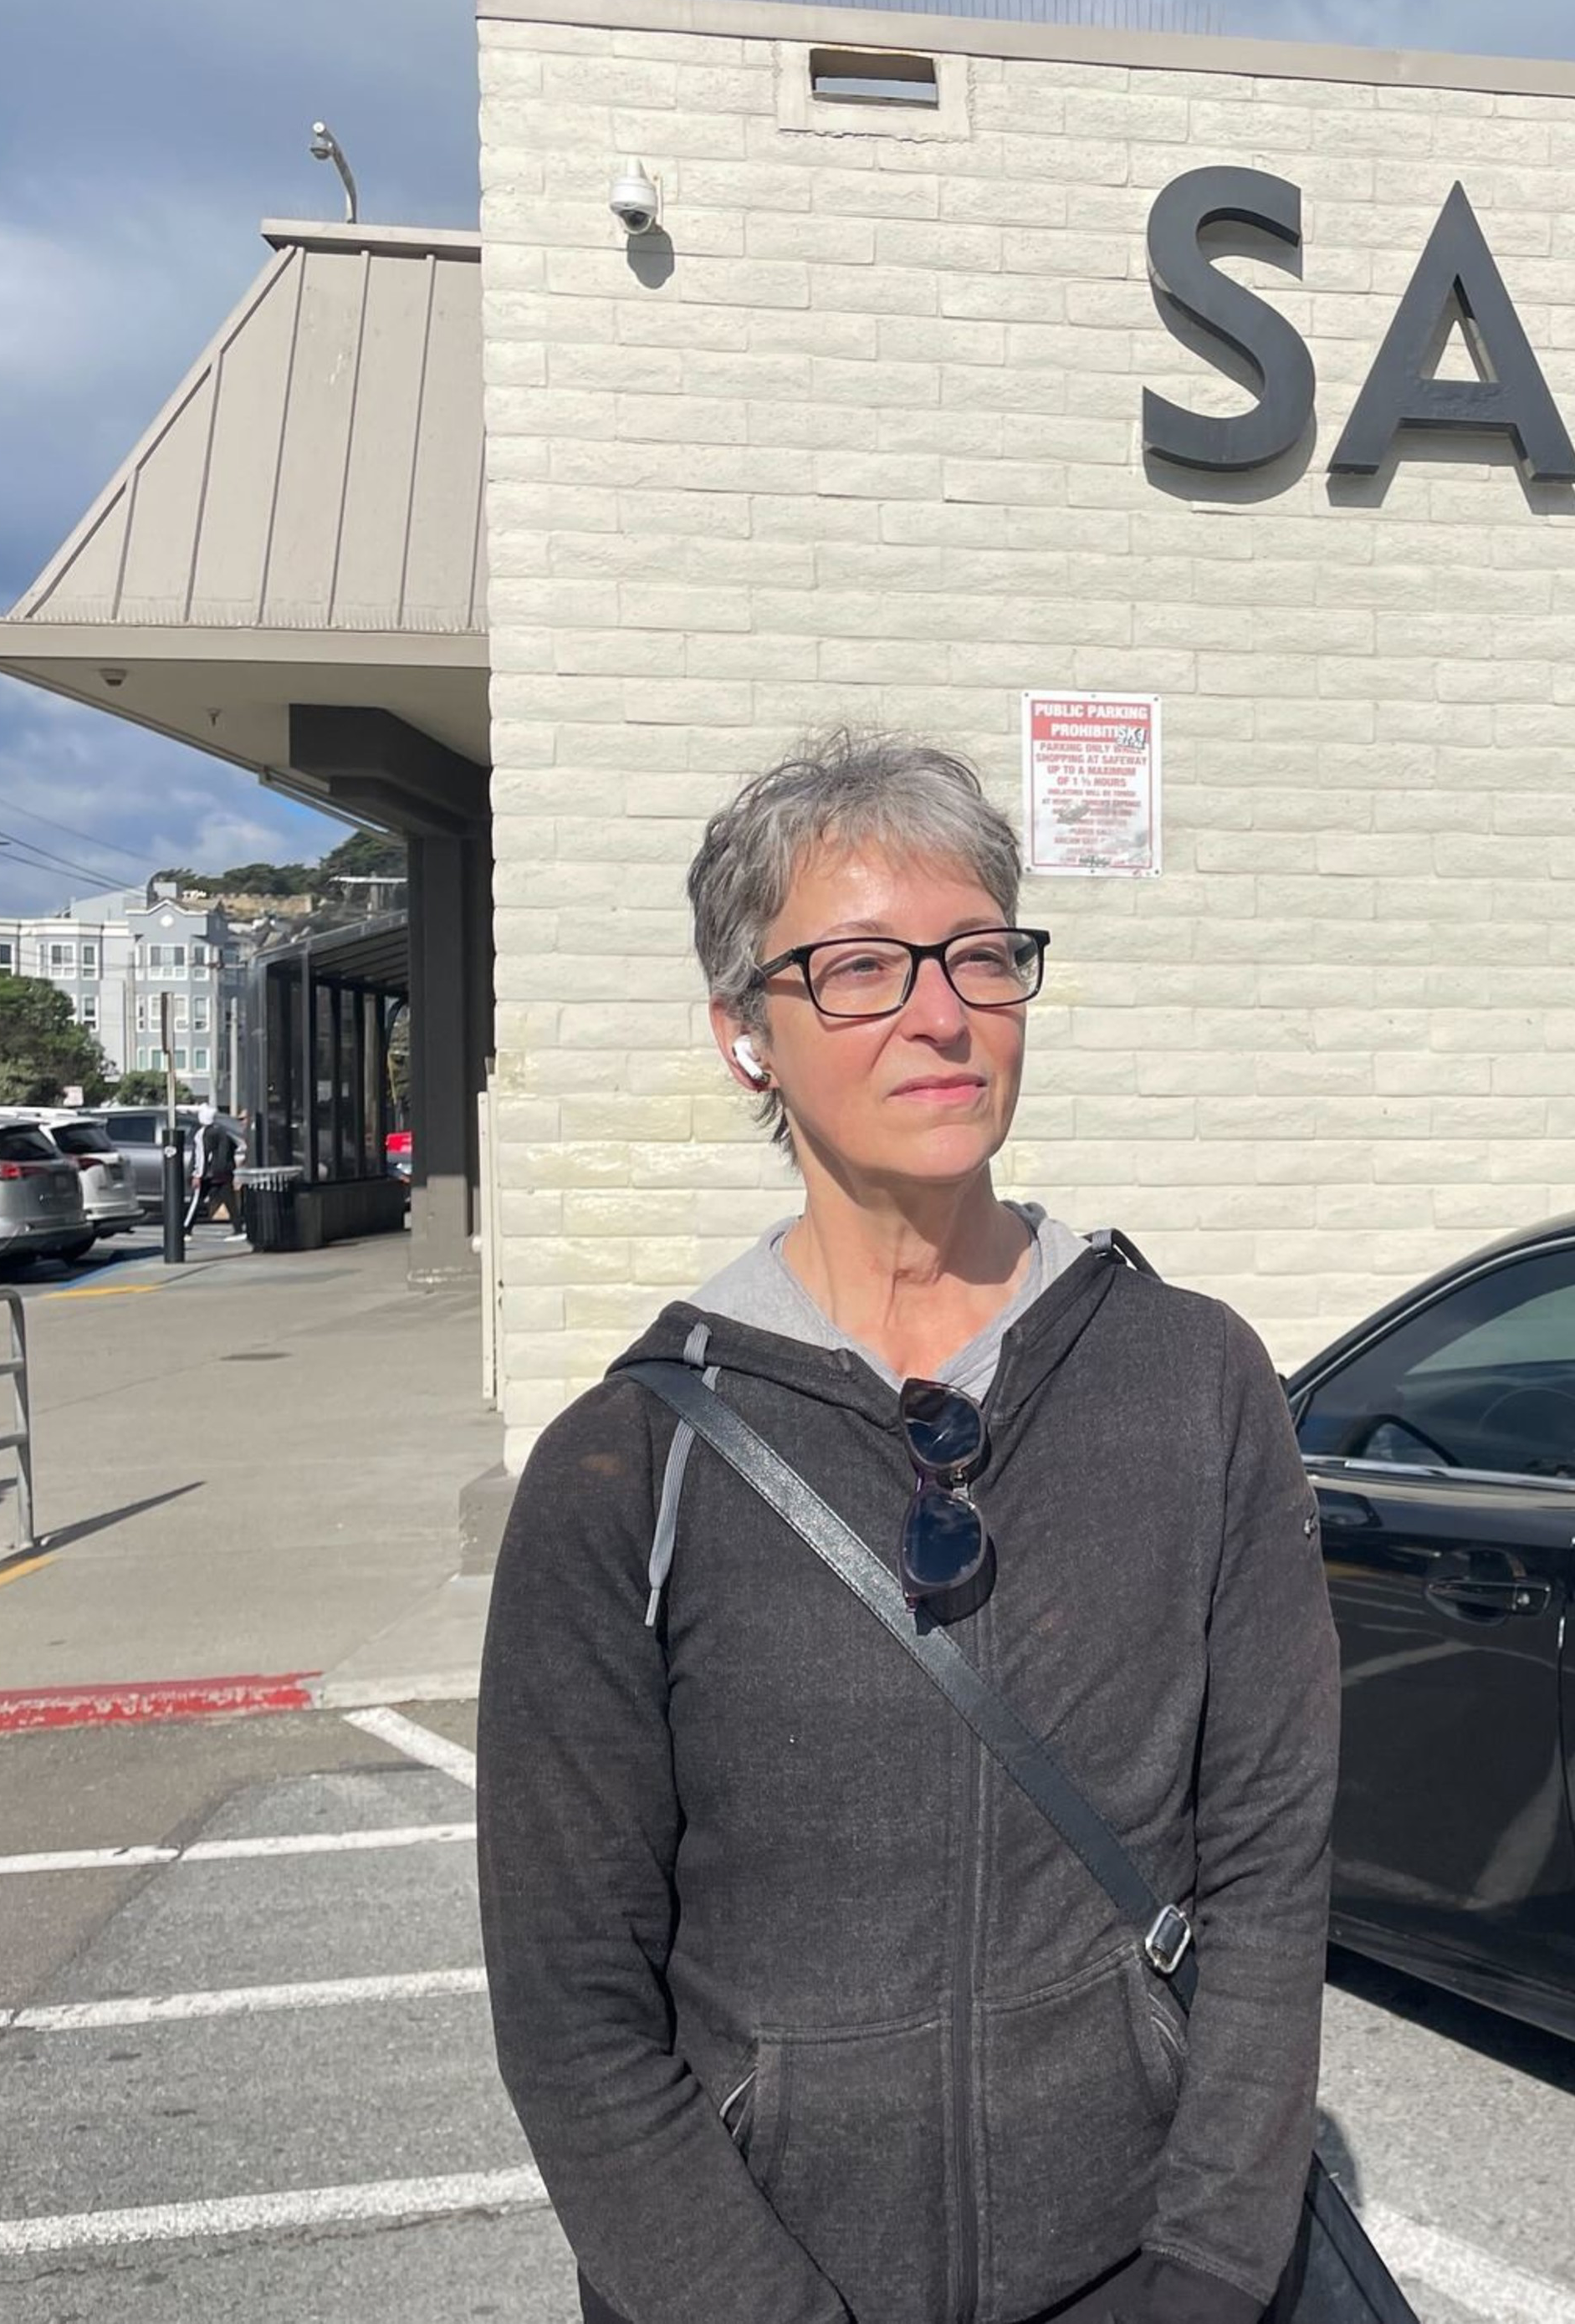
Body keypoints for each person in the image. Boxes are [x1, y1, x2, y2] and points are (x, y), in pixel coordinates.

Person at [478, 727, 1339, 2324]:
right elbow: (570, 2003)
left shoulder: (1194, 1378)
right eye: (859, 968)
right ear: (745, 1034)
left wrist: (1215, 2267)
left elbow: (1270, 1868)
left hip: (1139, 2273)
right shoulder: (629, 1464)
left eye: (980, 956)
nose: (941, 1014)